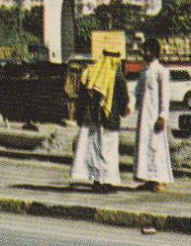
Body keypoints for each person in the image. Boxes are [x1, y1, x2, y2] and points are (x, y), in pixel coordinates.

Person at [70, 48, 125, 189]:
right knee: (109, 150)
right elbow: (122, 97)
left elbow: (81, 98)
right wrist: (123, 110)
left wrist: (80, 116)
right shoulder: (116, 75)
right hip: (109, 119)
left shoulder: (89, 72)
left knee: (94, 149)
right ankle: (107, 181)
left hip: (92, 119)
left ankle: (96, 180)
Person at [133, 36, 174, 192]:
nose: (143, 53)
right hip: (143, 117)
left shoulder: (161, 71)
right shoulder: (144, 72)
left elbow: (165, 96)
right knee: (144, 147)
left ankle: (159, 180)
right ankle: (148, 179)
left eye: (145, 50)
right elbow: (137, 92)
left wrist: (163, 115)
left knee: (156, 147)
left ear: (152, 52)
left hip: (155, 117)